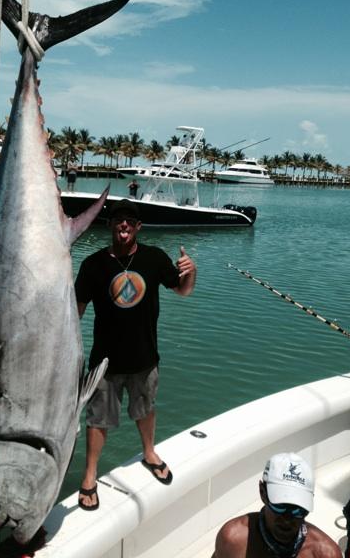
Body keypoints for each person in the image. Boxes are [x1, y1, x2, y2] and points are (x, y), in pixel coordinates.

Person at [75, 198, 196, 510]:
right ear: (110, 225)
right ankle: (90, 475)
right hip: (104, 362)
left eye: (130, 220)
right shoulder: (93, 265)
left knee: (146, 410)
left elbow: (183, 290)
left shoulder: (154, 258)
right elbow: (74, 314)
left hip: (145, 358)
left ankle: (149, 452)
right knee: (97, 419)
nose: (124, 224)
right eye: (118, 220)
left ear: (138, 227)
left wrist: (190, 271)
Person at [212, 452, 341, 558]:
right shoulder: (233, 540)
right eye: (280, 506)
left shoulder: (327, 554)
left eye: (298, 509)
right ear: (263, 493)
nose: (287, 519)